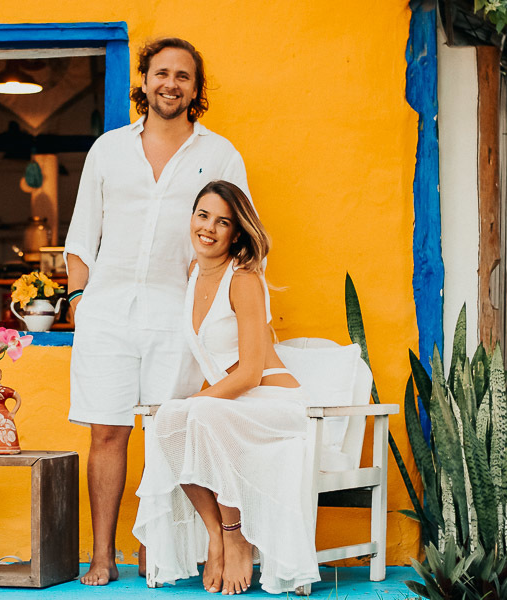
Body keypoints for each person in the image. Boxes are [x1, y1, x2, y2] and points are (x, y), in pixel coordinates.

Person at [63, 38, 250, 586]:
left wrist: (220, 309)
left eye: (183, 77)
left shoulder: (220, 155)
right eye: (161, 73)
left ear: (197, 89)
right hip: (107, 313)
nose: (171, 84)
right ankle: (102, 555)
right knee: (107, 433)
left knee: (168, 429)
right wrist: (79, 301)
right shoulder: (108, 150)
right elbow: (80, 237)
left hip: (180, 315)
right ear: (143, 80)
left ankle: (155, 548)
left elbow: (241, 236)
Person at [133, 181, 319, 595]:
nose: (209, 228)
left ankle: (236, 535)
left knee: (192, 413)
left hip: (275, 403)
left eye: (223, 222)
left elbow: (251, 372)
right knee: (167, 423)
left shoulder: (244, 279)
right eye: (203, 216)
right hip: (234, 404)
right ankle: (216, 534)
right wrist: (186, 407)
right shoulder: (194, 272)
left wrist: (193, 402)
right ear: (192, 218)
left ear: (236, 233)